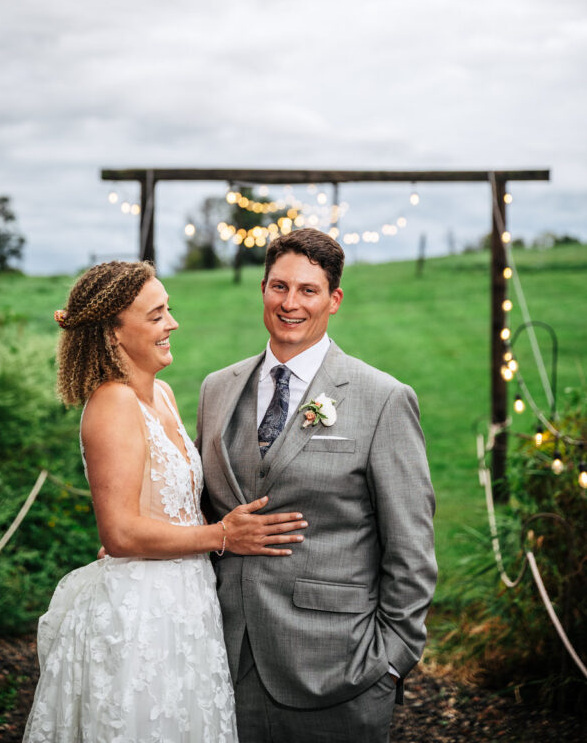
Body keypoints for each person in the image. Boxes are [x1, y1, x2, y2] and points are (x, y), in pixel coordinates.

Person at [23, 260, 307, 743]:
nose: (172, 323)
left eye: (168, 311)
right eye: (155, 316)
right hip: (142, 613)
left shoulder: (164, 395)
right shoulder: (112, 403)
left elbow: (169, 504)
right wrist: (222, 536)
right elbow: (119, 533)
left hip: (187, 600)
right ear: (113, 332)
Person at [197, 228, 437, 743]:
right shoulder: (216, 389)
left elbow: (411, 549)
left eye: (308, 290)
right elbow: (198, 512)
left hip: (339, 668)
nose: (290, 303)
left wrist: (390, 661)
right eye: (279, 286)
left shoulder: (383, 398)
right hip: (222, 658)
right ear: (262, 289)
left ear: (334, 299)